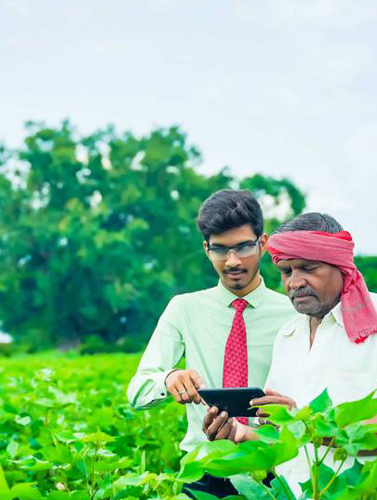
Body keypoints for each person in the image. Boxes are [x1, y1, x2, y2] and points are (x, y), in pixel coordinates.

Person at [201, 213, 377, 494]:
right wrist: (240, 433)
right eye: (286, 271)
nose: (294, 282)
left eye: (308, 268)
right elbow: (287, 437)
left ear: (341, 265)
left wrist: (304, 422)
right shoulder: (289, 334)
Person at [126, 189, 297, 497]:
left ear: (263, 243)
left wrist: (291, 411)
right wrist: (169, 378)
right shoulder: (184, 309)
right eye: (220, 249)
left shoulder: (294, 313)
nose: (232, 261)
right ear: (206, 249)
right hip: (204, 470)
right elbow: (137, 391)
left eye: (243, 247)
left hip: (272, 468)